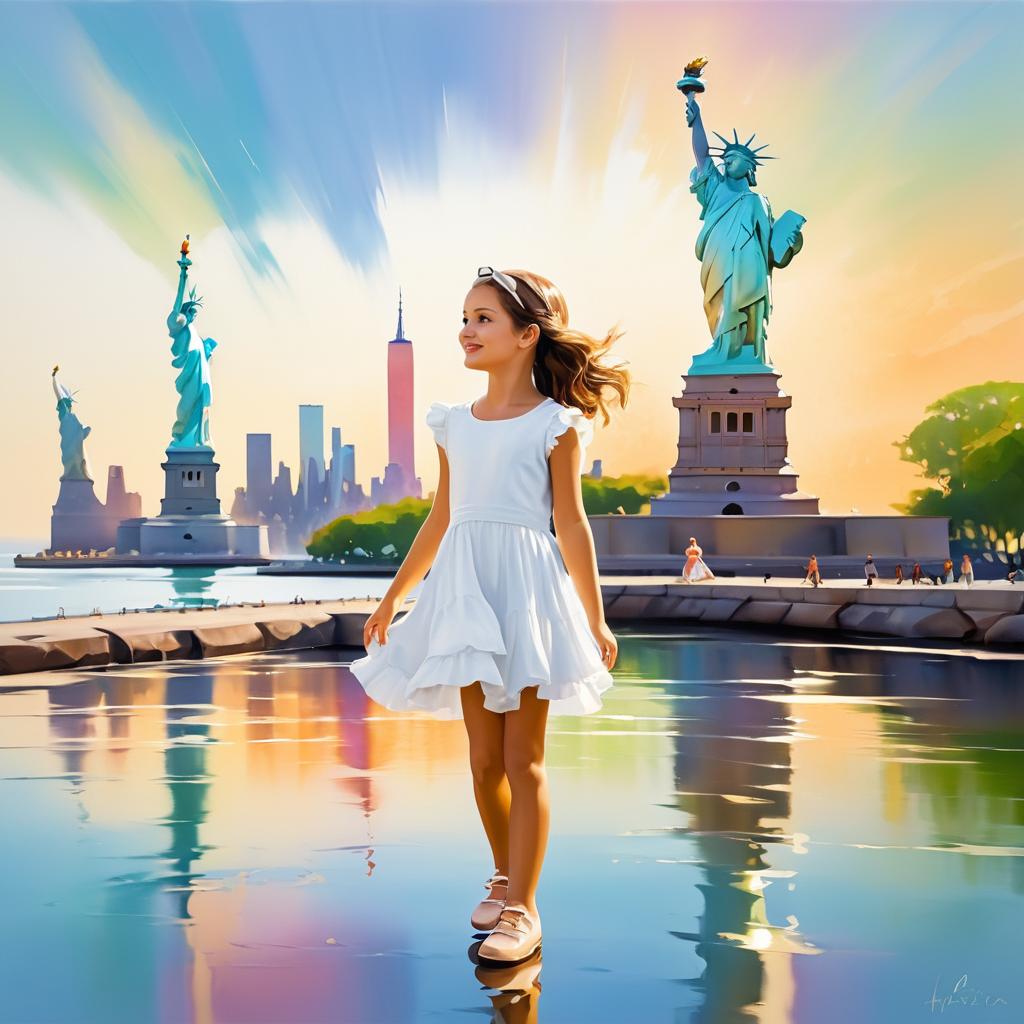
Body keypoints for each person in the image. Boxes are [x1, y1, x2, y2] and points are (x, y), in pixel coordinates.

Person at [349, 265, 629, 966]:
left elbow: (572, 524)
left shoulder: (554, 426)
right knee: (481, 761)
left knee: (521, 758)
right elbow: (441, 518)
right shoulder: (453, 424)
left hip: (529, 595)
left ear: (527, 336)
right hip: (467, 594)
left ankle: (525, 910)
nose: (466, 330)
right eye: (465, 317)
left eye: (483, 319)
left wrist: (594, 620)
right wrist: (393, 598)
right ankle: (505, 874)